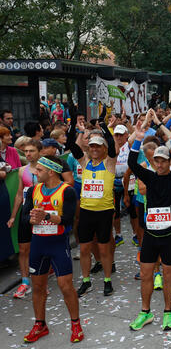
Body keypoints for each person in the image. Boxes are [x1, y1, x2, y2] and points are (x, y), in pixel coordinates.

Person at [128, 121, 171, 331]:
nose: (159, 164)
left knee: (170, 276)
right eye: (156, 161)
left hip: (170, 236)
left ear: (169, 161)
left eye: (163, 161)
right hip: (151, 236)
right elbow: (133, 164)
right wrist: (138, 137)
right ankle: (146, 312)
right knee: (145, 275)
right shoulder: (150, 178)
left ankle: (168, 313)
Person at [21, 156, 83, 343]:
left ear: (51, 172)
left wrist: (46, 215)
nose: (35, 173)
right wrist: (31, 220)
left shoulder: (67, 191)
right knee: (38, 287)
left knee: (66, 286)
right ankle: (40, 325)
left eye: (39, 170)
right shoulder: (33, 190)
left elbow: (69, 219)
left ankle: (76, 324)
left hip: (57, 243)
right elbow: (24, 217)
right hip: (38, 244)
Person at [66, 109, 117, 297]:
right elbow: (71, 144)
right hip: (87, 211)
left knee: (103, 248)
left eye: (98, 146)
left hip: (104, 211)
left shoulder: (110, 162)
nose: (94, 149)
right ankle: (86, 281)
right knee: (85, 248)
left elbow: (111, 144)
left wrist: (102, 125)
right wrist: (74, 125)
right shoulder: (85, 161)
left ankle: (107, 280)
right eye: (92, 146)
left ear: (103, 149)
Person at [8, 140, 42, 299]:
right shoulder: (22, 170)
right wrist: (14, 215)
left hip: (42, 213)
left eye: (32, 151)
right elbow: (19, 194)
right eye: (26, 151)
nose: (28, 154)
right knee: (23, 249)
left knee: (40, 249)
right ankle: (25, 281)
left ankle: (39, 281)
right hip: (26, 213)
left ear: (39, 152)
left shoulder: (46, 169)